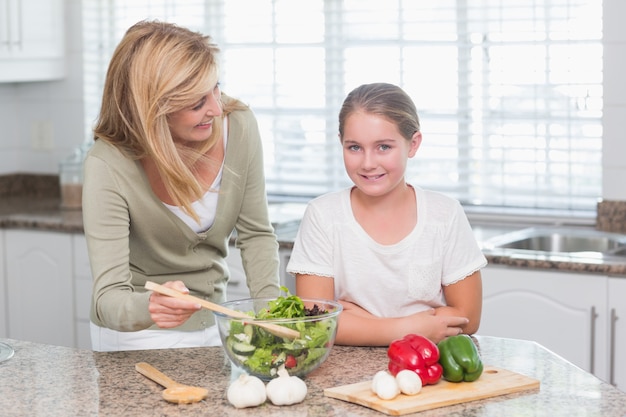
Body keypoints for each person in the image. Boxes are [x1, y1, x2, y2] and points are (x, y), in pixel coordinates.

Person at [82, 20, 280, 351]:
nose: (216, 109)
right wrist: (151, 306)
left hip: (215, 324)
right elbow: (108, 298)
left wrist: (270, 314)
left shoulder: (239, 125)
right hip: (134, 335)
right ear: (154, 107)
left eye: (216, 87)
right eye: (196, 102)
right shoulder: (108, 164)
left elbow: (257, 234)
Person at [287, 83, 487, 346]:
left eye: (383, 147)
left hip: (427, 368)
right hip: (346, 374)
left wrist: (357, 320)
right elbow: (316, 323)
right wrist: (409, 327)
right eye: (355, 147)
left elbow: (468, 318)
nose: (368, 163)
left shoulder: (444, 214)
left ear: (412, 144)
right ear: (341, 144)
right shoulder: (323, 216)